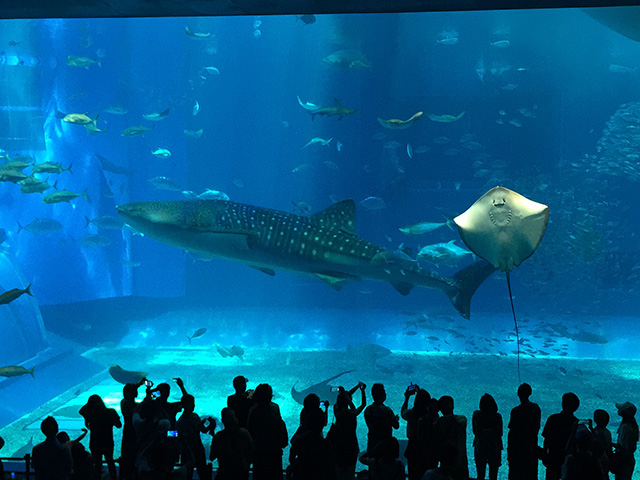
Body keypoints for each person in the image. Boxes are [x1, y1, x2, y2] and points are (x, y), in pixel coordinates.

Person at [247, 383, 288, 480]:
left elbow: (250, 429)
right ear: (270, 396)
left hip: (259, 452)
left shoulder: (253, 410)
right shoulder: (275, 408)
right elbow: (280, 426)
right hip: (274, 451)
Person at [327, 382, 366, 480]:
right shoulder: (351, 413)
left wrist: (355, 387)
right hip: (350, 446)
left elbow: (346, 398)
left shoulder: (336, 408)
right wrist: (362, 390)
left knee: (338, 471)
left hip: (337, 444)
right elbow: (362, 404)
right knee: (349, 472)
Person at [79, 394, 122, 480]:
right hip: (107, 442)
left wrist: (90, 405)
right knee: (110, 462)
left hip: (95, 442)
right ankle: (114, 478)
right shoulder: (110, 412)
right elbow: (119, 425)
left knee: (97, 465)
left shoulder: (90, 415)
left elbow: (81, 411)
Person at [288, 407, 337, 480]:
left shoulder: (300, 440)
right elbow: (331, 465)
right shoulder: (326, 444)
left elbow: (291, 457)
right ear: (321, 426)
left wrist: (298, 465)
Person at [542, 392, 580, 480]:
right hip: (569, 460)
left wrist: (545, 454)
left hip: (553, 457)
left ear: (563, 404)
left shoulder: (553, 419)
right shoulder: (576, 423)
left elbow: (546, 439)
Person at [507, 383, 541, 480]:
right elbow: (536, 428)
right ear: (530, 393)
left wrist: (510, 452)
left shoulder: (515, 411)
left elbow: (512, 433)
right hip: (531, 448)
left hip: (517, 450)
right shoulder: (535, 408)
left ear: (518, 394)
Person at [176, 394, 213, 480]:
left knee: (203, 473)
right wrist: (197, 428)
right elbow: (182, 437)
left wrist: (211, 425)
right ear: (185, 405)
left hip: (199, 450)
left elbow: (203, 430)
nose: (193, 405)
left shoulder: (195, 416)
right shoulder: (180, 422)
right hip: (187, 452)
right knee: (188, 476)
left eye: (193, 403)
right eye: (191, 403)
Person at [210, 408, 254, 480]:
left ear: (223, 421)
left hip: (224, 473)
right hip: (241, 473)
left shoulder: (219, 436)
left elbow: (212, 456)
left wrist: (212, 433)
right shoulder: (244, 433)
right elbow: (251, 452)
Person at [434, 395, 468, 480]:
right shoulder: (459, 419)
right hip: (448, 462)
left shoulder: (459, 419)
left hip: (460, 462)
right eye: (443, 405)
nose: (445, 407)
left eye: (447, 404)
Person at [401, 385, 431, 480]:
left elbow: (403, 413)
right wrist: (420, 393)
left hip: (413, 447)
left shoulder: (411, 414)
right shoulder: (430, 416)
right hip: (427, 447)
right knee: (426, 472)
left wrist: (407, 397)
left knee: (413, 472)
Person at [472, 393, 503, 480]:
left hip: (480, 447)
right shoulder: (497, 417)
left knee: (480, 475)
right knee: (493, 476)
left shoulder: (476, 415)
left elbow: (475, 431)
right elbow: (500, 433)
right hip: (494, 447)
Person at [364, 383, 399, 453]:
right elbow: (396, 426)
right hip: (385, 446)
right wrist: (395, 419)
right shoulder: (387, 410)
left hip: (372, 444)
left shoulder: (368, 410)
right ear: (383, 396)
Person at [121, 381, 144, 480]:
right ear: (135, 394)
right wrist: (149, 394)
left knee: (126, 455)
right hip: (135, 433)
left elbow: (129, 394)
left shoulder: (123, 403)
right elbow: (145, 403)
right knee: (135, 456)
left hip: (127, 432)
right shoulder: (136, 407)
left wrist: (139, 384)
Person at [613, 401, 639, 480]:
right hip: (628, 460)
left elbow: (623, 446)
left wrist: (609, 444)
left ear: (623, 413)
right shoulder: (632, 425)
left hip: (623, 461)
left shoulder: (625, 427)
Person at [593, 409, 613, 476]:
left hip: (598, 460)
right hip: (606, 459)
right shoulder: (607, 432)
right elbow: (609, 447)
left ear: (595, 420)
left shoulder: (597, 432)